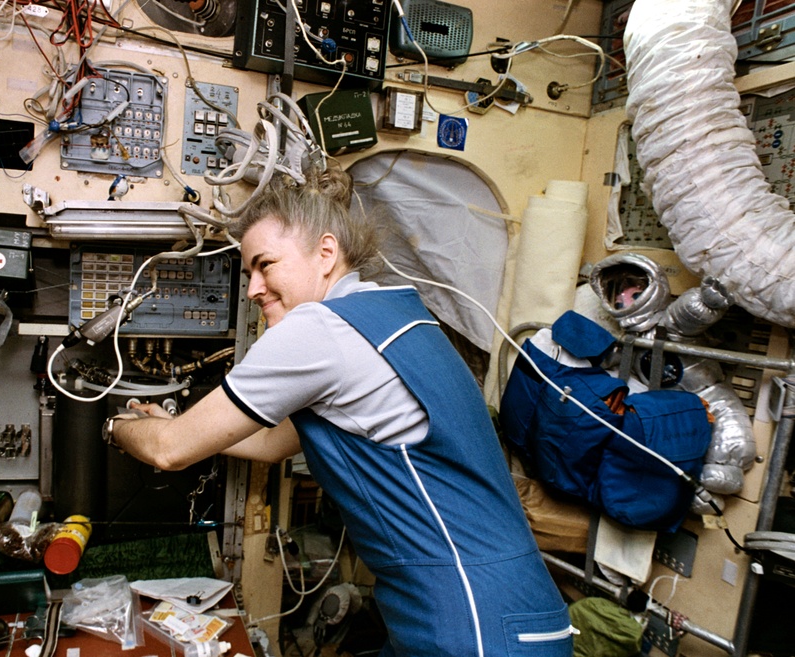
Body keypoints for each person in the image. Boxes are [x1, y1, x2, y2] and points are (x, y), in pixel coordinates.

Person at [107, 167, 574, 656]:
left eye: (265, 265)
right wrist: (181, 426)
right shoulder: (396, 314)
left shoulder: (321, 330)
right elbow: (270, 443)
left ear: (326, 253)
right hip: (510, 609)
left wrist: (118, 425)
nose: (254, 289)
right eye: (249, 273)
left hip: (471, 620)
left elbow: (169, 452)